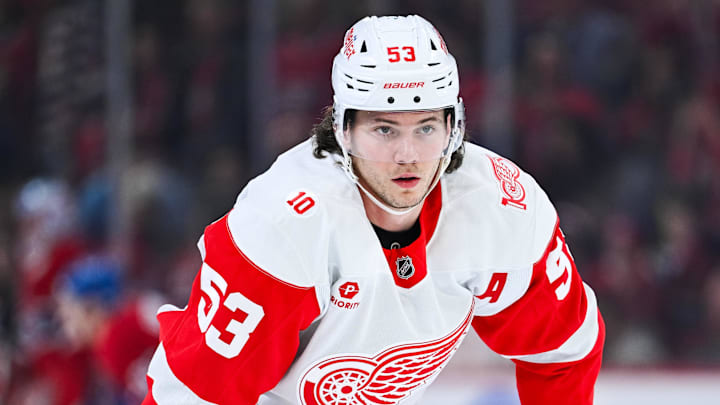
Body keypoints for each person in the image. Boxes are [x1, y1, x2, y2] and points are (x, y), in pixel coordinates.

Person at [143, 15, 604, 405]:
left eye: (425, 127)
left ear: (454, 126)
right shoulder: (285, 228)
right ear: (343, 129)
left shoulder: (501, 208)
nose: (408, 155)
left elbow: (564, 353)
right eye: (384, 130)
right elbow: (193, 391)